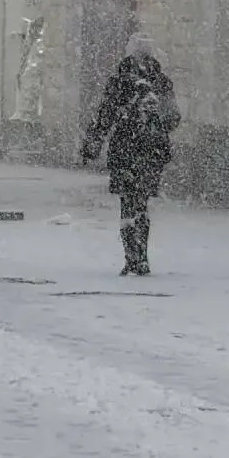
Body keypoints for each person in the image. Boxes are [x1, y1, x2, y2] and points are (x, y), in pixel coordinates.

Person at [81, 34, 179, 276]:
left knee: (127, 203)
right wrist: (156, 122)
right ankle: (142, 256)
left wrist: (94, 140)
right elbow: (173, 118)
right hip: (152, 151)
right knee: (142, 202)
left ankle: (131, 257)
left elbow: (105, 114)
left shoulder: (119, 81)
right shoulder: (162, 81)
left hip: (124, 149)